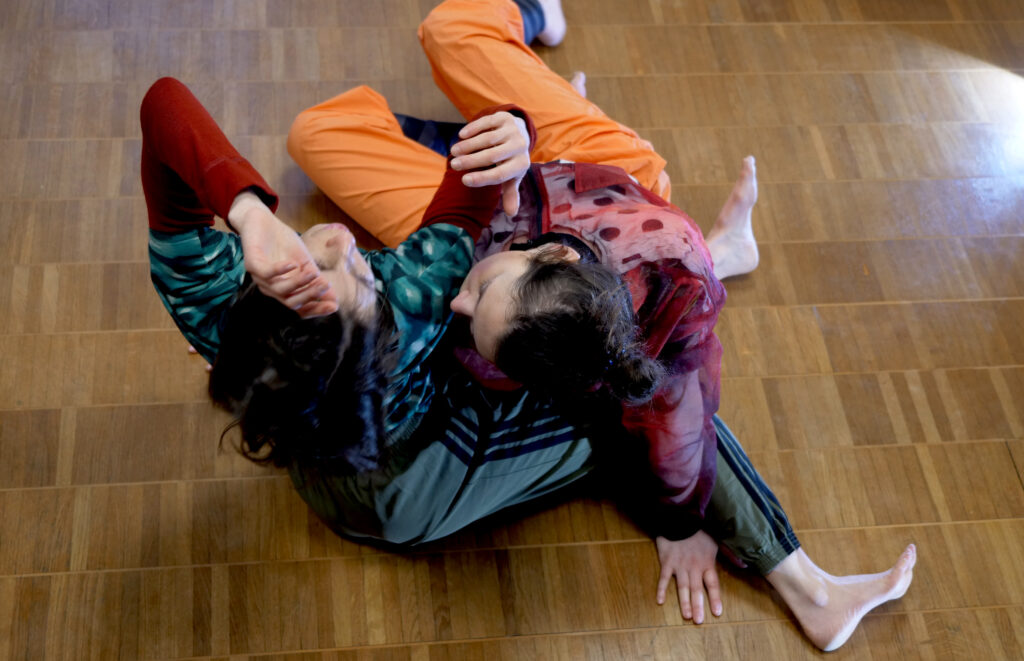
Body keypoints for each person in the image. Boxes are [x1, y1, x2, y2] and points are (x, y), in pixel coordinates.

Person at [285, 0, 916, 651]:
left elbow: (676, 415)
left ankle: (549, 52)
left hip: (559, 204)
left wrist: (682, 518)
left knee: (406, 70)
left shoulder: (643, 277)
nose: (456, 306)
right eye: (479, 298)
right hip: (548, 186)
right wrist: (516, 135)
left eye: (478, 298)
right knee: (361, 97)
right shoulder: (511, 274)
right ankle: (543, 37)